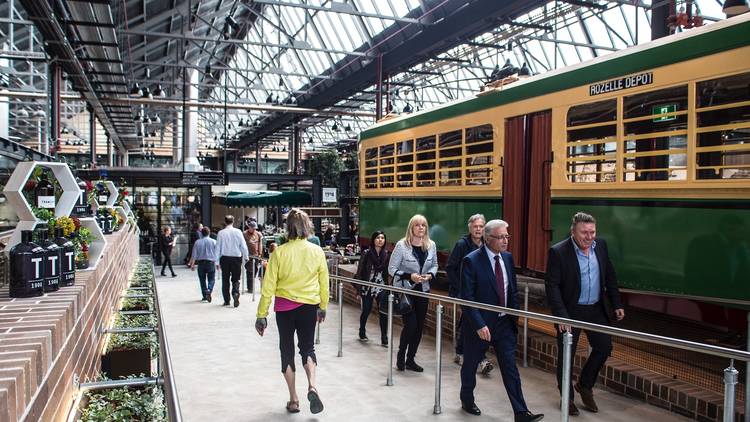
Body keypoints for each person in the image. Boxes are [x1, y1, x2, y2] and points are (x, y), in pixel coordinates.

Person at [459, 219, 544, 422]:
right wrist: (479, 324)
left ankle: (521, 412)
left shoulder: (507, 258)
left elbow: (511, 290)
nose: (506, 241)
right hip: (481, 325)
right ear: (488, 238)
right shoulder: (471, 260)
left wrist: (514, 315)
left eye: (507, 236)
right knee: (470, 364)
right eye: (501, 237)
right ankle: (467, 399)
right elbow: (467, 297)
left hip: (504, 324)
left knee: (510, 368)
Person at [545, 212, 624, 416]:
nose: (589, 237)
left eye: (592, 232)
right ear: (573, 232)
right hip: (571, 311)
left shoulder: (602, 246)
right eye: (584, 233)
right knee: (567, 355)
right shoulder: (559, 252)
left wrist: (616, 303)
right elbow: (552, 286)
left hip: (596, 309)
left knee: (604, 347)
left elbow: (610, 276)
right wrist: (561, 315)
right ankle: (567, 398)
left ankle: (585, 385)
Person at [255, 209, 329, 414]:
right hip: (309, 306)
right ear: (307, 227)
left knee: (286, 349)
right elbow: (324, 283)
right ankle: (312, 385)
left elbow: (268, 286)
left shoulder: (279, 252)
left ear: (288, 228)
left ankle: (294, 399)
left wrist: (261, 315)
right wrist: (323, 306)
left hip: (285, 308)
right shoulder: (317, 251)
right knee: (307, 348)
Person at [388, 214, 437, 372]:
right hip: (406, 291)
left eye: (423, 225)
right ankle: (401, 356)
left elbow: (435, 265)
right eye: (417, 225)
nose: (421, 227)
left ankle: (411, 359)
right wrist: (410, 276)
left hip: (423, 291)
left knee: (419, 327)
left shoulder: (431, 245)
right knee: (411, 325)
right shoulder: (402, 246)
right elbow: (391, 269)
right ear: (411, 228)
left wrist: (430, 275)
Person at [446, 213, 494, 376]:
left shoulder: (487, 244)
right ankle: (482, 359)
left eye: (481, 226)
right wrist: (461, 289)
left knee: (469, 321)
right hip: (465, 293)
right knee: (475, 322)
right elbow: (450, 268)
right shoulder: (462, 245)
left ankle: (460, 352)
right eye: (475, 226)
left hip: (481, 293)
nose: (478, 229)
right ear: (470, 228)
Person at [355, 230, 390, 346]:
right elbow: (360, 271)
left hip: (381, 286)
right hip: (367, 285)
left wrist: (388, 286)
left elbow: (386, 272)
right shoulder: (367, 253)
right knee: (366, 309)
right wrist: (358, 289)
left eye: (382, 238)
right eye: (378, 238)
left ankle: (384, 336)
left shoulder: (386, 254)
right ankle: (362, 330)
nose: (380, 240)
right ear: (373, 240)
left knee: (383, 311)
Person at [214, 215, 248, 307]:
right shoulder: (238, 232)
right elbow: (243, 245)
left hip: (225, 258)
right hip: (236, 258)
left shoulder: (221, 233)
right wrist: (246, 256)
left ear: (225, 222)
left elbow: (218, 248)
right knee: (236, 278)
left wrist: (216, 261)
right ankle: (236, 293)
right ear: (233, 222)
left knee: (225, 280)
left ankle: (226, 300)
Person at [188, 227, 217, 302]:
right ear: (209, 233)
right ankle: (209, 290)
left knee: (202, 280)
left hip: (201, 263)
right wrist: (218, 263)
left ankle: (204, 295)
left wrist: (192, 264)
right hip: (211, 263)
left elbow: (194, 254)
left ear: (201, 233)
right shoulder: (214, 241)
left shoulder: (197, 242)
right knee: (211, 279)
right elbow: (217, 253)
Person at [244, 220, 264, 293]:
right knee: (250, 271)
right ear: (249, 227)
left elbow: (260, 244)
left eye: (255, 228)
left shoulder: (258, 234)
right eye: (253, 228)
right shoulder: (244, 234)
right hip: (248, 256)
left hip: (256, 255)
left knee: (255, 270)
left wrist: (260, 253)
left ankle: (250, 285)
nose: (254, 230)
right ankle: (250, 288)